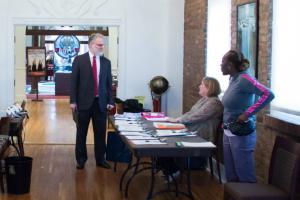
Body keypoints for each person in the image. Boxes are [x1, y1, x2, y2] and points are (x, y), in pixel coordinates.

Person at [221, 50, 274, 182]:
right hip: (228, 130)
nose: (220, 66)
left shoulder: (245, 79)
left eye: (222, 63)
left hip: (241, 132)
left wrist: (247, 114)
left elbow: (268, 94)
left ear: (230, 65)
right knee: (231, 174)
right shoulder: (233, 78)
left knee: (244, 174)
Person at [159, 76, 224, 177]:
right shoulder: (204, 100)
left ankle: (172, 169)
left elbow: (196, 116)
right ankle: (169, 168)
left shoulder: (214, 103)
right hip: (191, 132)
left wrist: (177, 120)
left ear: (209, 87)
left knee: (166, 143)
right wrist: (177, 120)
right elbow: (190, 113)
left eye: (202, 84)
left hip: (201, 137)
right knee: (162, 140)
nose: (199, 86)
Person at [70, 33, 114, 170]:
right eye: (99, 45)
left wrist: (110, 101)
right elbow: (74, 83)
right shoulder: (79, 60)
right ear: (90, 45)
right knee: (81, 133)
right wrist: (73, 101)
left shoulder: (106, 62)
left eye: (103, 45)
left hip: (100, 103)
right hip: (83, 103)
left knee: (100, 133)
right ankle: (81, 160)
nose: (102, 47)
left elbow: (108, 84)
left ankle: (100, 159)